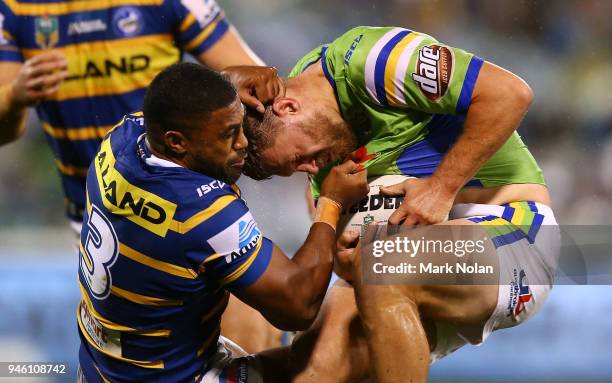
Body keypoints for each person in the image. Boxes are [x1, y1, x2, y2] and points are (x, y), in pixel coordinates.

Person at [242, 26, 559, 382]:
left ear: (288, 107)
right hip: (405, 270)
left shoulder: (373, 61)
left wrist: (441, 188)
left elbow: (510, 94)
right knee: (311, 369)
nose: (311, 169)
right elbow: (354, 259)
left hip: (511, 233)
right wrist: (344, 255)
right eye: (298, 168)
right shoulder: (320, 134)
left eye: (303, 158)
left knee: (379, 267)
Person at [0, 0, 284, 353]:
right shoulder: (14, 9)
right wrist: (14, 97)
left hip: (188, 210)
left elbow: (261, 86)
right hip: (103, 219)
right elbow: (5, 130)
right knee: (142, 361)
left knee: (249, 336)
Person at [76, 63, 368, 382]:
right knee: (349, 352)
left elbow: (173, 97)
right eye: (228, 134)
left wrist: (225, 81)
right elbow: (297, 306)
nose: (243, 143)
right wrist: (331, 203)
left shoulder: (122, 135)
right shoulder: (202, 212)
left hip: (101, 366)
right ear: (177, 143)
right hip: (173, 378)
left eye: (240, 126)